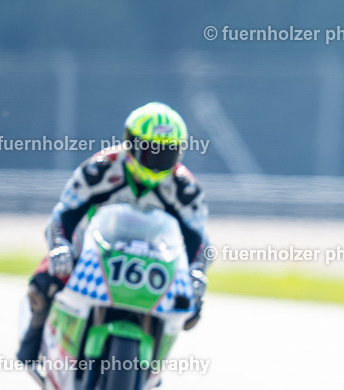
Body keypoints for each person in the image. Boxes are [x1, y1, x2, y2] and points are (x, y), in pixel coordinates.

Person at [17, 102, 211, 362]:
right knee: (44, 285)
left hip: (155, 258)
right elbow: (64, 212)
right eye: (150, 152)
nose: (157, 162)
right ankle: (31, 350)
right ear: (130, 144)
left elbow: (199, 239)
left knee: (191, 307)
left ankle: (152, 361)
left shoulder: (185, 188)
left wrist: (197, 271)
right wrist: (59, 245)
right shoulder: (100, 169)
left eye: (167, 153)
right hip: (94, 248)